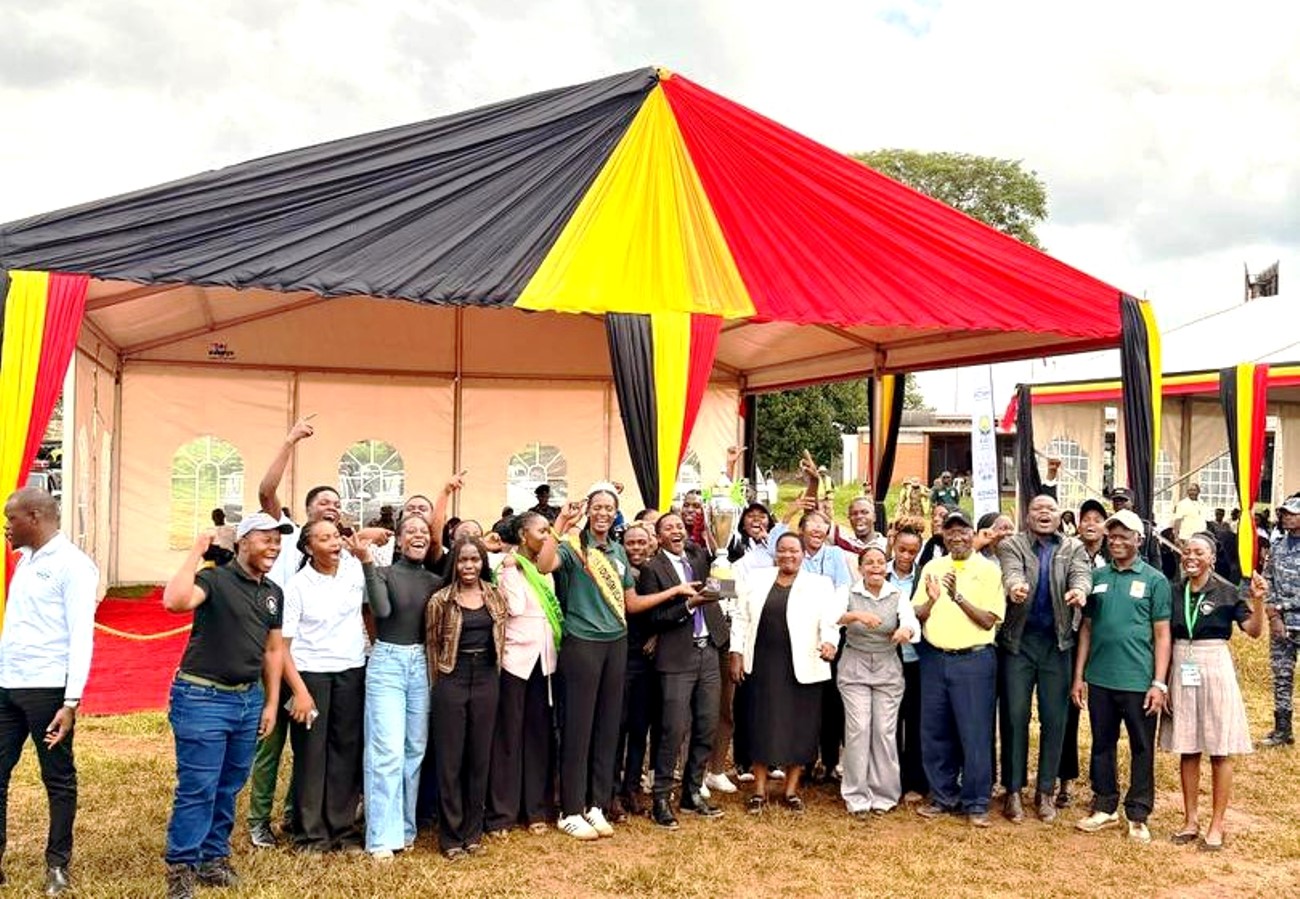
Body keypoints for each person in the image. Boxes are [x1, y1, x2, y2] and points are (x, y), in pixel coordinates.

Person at [162, 512, 291, 899]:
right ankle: (181, 867)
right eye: (266, 539)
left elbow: (272, 650)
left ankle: (212, 858)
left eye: (278, 540)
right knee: (199, 787)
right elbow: (174, 601)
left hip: (247, 700)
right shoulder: (214, 580)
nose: (274, 546)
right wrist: (196, 552)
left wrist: (270, 703)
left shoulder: (273, 592)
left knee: (229, 785)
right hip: (202, 698)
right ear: (243, 542)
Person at [0, 488, 97, 896]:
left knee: (57, 779)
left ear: (36, 516)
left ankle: (57, 865)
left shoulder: (74, 566)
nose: (6, 528)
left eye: (12, 519)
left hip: (48, 691)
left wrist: (71, 701)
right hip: (8, 685)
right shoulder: (25, 560)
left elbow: (81, 637)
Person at [1072, 509, 1172, 843]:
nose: (1115, 541)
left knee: (1141, 747)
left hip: (1138, 681)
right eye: (1111, 536)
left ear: (1138, 540)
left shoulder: (1155, 580)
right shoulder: (1098, 577)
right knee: (1102, 743)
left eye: (1122, 536)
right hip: (1100, 678)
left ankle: (1139, 813)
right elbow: (1086, 629)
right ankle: (1104, 804)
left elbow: (1161, 635)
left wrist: (1159, 683)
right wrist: (1079, 676)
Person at [1163, 533, 1266, 851]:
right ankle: (1190, 820)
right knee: (1188, 746)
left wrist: (1259, 600)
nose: (1191, 557)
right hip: (1181, 662)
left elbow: (1253, 631)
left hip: (1214, 662)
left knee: (1219, 749)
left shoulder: (1227, 590)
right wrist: (1163, 681)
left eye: (1198, 552)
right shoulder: (1173, 590)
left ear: (1212, 558)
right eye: (1187, 551)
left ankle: (1217, 825)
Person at [995, 495, 1091, 823]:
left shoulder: (1072, 548)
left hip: (1057, 644)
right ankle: (1013, 791)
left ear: (1060, 514)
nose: (1044, 514)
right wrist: (1015, 588)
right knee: (1014, 716)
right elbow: (1011, 574)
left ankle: (1046, 790)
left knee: (1055, 719)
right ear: (1027, 515)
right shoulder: (1012, 545)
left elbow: (1081, 575)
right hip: (1019, 644)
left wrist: (1080, 591)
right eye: (1037, 509)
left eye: (1050, 509)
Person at [730, 533, 842, 814]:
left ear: (803, 554)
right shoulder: (756, 579)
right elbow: (741, 617)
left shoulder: (820, 584)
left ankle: (791, 791)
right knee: (761, 725)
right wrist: (736, 653)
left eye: (794, 551)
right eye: (782, 551)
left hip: (803, 664)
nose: (788, 556)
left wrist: (830, 643)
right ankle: (758, 790)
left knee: (799, 728)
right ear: (775, 554)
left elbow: (830, 622)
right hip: (763, 664)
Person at [280, 520, 369, 854]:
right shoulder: (297, 586)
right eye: (324, 538)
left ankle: (343, 830)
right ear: (308, 548)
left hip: (350, 671)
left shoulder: (353, 572)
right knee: (311, 755)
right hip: (310, 676)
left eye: (335, 536)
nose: (334, 543)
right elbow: (282, 648)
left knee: (346, 750)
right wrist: (299, 691)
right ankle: (310, 835)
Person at [913, 511, 1005, 827]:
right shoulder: (933, 567)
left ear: (973, 533)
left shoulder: (989, 570)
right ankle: (943, 796)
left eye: (962, 530)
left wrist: (957, 598)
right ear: (943, 535)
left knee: (975, 732)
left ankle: (976, 802)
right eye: (950, 531)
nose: (956, 536)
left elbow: (989, 619)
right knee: (936, 731)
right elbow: (917, 614)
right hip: (935, 659)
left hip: (974, 661)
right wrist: (932, 601)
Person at [552, 490, 635, 840]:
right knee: (578, 727)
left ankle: (596, 804)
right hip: (582, 643)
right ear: (588, 510)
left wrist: (681, 597)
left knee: (607, 727)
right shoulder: (572, 547)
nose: (603, 513)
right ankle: (570, 808)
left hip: (616, 642)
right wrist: (561, 524)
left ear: (616, 513)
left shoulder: (617, 551)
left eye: (609, 508)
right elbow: (544, 565)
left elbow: (630, 601)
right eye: (597, 507)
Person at [638, 513, 725, 827]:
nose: (676, 530)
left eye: (679, 526)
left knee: (706, 725)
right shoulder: (652, 569)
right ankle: (661, 797)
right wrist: (689, 604)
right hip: (677, 657)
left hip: (709, 651)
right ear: (658, 537)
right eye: (668, 528)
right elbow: (653, 619)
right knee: (672, 729)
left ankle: (692, 793)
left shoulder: (697, 557)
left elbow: (718, 571)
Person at [361, 513, 439, 858]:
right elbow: (381, 609)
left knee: (414, 749)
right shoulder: (383, 573)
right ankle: (381, 836)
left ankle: (405, 828)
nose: (418, 536)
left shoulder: (436, 581)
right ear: (399, 539)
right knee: (387, 751)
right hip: (388, 663)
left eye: (424, 531)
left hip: (421, 664)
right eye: (411, 531)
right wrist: (366, 563)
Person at [426, 536, 508, 860]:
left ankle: (473, 832)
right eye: (463, 560)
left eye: (475, 560)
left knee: (479, 757)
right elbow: (431, 645)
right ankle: (450, 836)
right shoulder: (440, 600)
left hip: (487, 677)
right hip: (452, 677)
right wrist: (439, 684)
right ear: (455, 564)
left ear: (482, 562)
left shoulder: (495, 596)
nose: (469, 566)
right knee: (450, 760)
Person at [486, 513, 563, 837]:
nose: (546, 536)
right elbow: (514, 607)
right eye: (541, 531)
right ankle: (502, 813)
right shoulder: (507, 567)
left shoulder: (544, 568)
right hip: (515, 661)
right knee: (509, 737)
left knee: (539, 736)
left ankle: (536, 809)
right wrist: (514, 566)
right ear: (522, 534)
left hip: (545, 662)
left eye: (549, 530)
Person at [837, 546, 920, 816]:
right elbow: (831, 618)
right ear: (860, 567)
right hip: (854, 666)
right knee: (859, 728)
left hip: (887, 668)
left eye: (880, 562)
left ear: (886, 566)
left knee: (884, 732)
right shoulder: (848, 592)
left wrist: (905, 630)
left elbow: (911, 622)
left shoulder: (897, 595)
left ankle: (884, 794)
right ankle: (856, 795)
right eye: (869, 563)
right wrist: (855, 615)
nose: (875, 567)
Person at [613, 520, 673, 819]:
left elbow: (669, 612)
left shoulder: (657, 573)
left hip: (649, 662)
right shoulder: (614, 572)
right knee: (618, 726)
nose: (636, 548)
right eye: (630, 543)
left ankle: (631, 789)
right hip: (622, 658)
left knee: (640, 728)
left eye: (641, 542)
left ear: (652, 543)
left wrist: (658, 636)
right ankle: (611, 791)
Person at [887, 525, 927, 803]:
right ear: (893, 545)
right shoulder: (879, 572)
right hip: (885, 659)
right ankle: (889, 780)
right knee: (889, 724)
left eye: (913, 551)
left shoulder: (925, 576)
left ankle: (914, 780)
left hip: (915, 660)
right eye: (902, 549)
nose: (906, 555)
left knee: (914, 722)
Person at [1262, 495, 1300, 746]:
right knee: (1282, 676)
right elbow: (1267, 582)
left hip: (1292, 616)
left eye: (1291, 513)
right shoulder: (1277, 547)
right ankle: (1282, 729)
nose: (1286, 516)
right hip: (1282, 624)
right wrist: (1274, 615)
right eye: (1283, 512)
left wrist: (1281, 607)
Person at [832, 496, 888, 570]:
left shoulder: (887, 545)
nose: (859, 516)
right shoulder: (842, 542)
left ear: (874, 517)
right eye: (854, 514)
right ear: (849, 518)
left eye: (864, 512)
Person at [914, 504, 950, 576]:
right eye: (933, 516)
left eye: (942, 516)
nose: (935, 519)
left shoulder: (959, 552)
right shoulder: (923, 546)